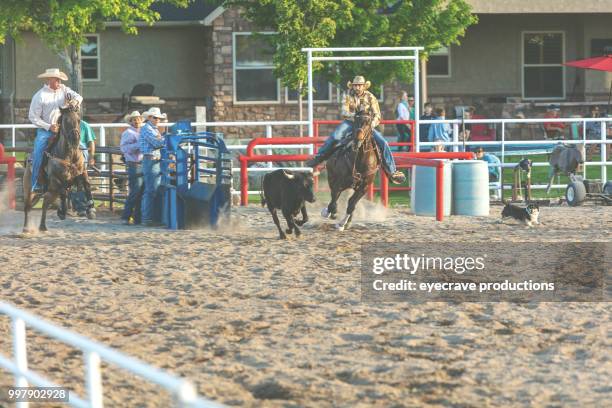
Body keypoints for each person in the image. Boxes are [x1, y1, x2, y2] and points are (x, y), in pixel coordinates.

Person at [306, 75, 405, 184]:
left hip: (365, 125)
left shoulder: (370, 97)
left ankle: (392, 171)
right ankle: (318, 158)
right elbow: (344, 112)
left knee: (384, 143)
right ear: (352, 86)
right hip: (351, 122)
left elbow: (377, 115)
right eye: (355, 85)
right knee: (336, 136)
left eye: (359, 85)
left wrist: (371, 123)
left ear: (364, 86)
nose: (357, 87)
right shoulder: (347, 95)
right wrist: (357, 117)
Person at [28, 68, 82, 193]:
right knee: (39, 151)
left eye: (59, 79)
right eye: (56, 79)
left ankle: (81, 174)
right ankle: (35, 182)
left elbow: (79, 97)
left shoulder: (64, 90)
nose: (58, 81)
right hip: (46, 130)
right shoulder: (40, 95)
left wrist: (75, 101)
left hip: (64, 129)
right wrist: (48, 126)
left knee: (80, 146)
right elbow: (33, 117)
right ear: (49, 80)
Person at [139, 107, 167, 226]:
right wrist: (166, 138)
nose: (157, 120)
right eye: (155, 118)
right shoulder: (147, 129)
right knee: (151, 190)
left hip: (154, 160)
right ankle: (147, 219)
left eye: (159, 118)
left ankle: (151, 217)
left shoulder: (153, 129)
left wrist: (162, 138)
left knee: (153, 190)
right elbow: (157, 143)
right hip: (151, 160)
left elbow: (159, 142)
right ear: (149, 118)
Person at [120, 111, 144, 225]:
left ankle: (136, 217)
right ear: (131, 121)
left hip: (141, 164)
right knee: (135, 191)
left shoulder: (141, 132)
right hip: (134, 164)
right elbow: (124, 148)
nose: (137, 121)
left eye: (138, 119)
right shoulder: (128, 133)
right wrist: (139, 145)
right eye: (134, 119)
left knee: (140, 191)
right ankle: (126, 216)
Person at [68, 119, 96, 216]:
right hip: (68, 152)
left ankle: (87, 206)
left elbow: (91, 142)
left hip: (80, 151)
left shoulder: (84, 125)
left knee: (83, 179)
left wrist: (91, 157)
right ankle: (81, 206)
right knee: (75, 182)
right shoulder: (65, 123)